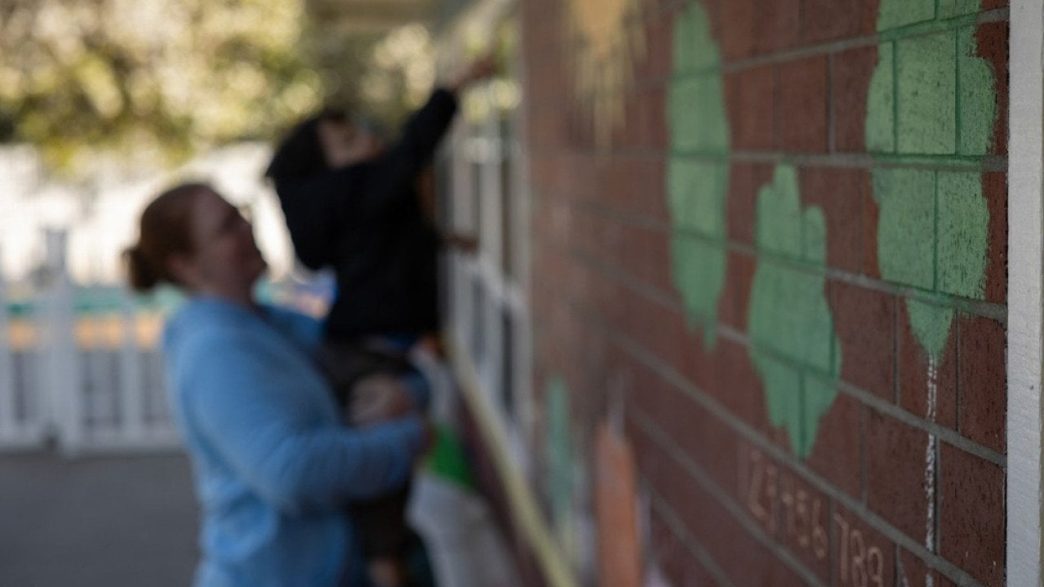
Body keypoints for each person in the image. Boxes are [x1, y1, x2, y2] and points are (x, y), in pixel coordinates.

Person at [124, 182, 430, 587]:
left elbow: (386, 364)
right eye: (226, 227)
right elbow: (293, 473)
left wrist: (408, 393)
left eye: (241, 214)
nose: (246, 229)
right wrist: (409, 438)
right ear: (187, 267)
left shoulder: (278, 324)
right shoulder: (214, 352)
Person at [264, 57, 494, 586]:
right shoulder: (358, 191)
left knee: (391, 501)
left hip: (376, 350)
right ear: (329, 179)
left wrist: (443, 239)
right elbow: (413, 149)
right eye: (346, 144)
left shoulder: (362, 205)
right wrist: (451, 88)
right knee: (383, 513)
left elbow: (391, 247)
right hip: (371, 359)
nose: (367, 143)